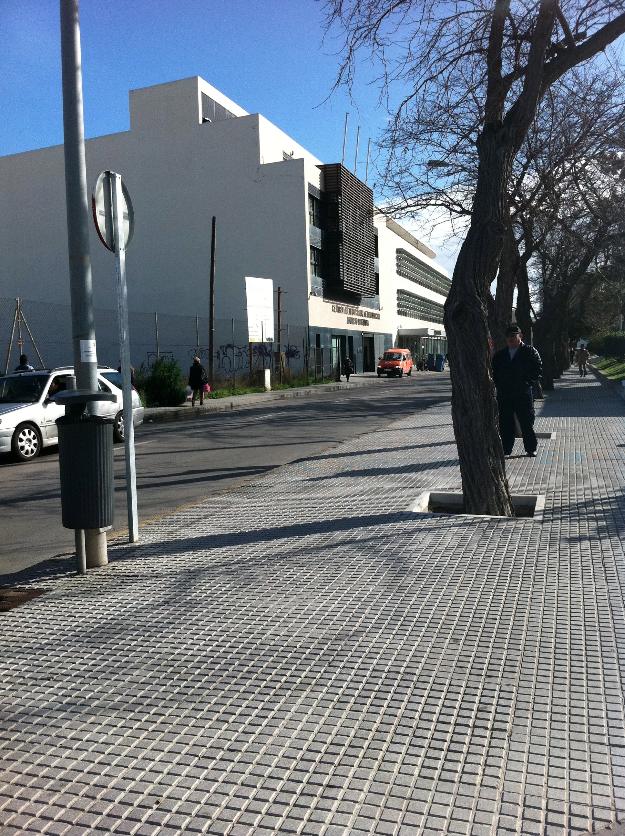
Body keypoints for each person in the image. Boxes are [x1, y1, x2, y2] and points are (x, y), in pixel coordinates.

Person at [492, 324, 543, 458]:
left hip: (523, 393)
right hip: (505, 394)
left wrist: (527, 383)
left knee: (526, 421)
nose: (510, 340)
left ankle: (530, 448)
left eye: (513, 337)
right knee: (505, 422)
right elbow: (494, 372)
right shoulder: (500, 355)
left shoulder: (530, 351)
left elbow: (537, 369)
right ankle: (506, 449)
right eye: (508, 338)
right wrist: (499, 385)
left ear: (520, 336)